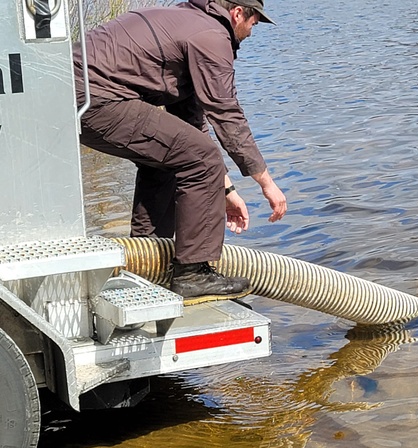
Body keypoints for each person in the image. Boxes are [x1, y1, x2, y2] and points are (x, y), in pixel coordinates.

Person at [73, 0, 287, 304]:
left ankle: (147, 261)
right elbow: (227, 114)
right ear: (238, 13)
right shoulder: (212, 36)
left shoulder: (187, 21)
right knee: (201, 158)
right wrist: (266, 183)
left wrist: (226, 191)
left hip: (73, 94)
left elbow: (190, 126)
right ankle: (193, 274)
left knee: (172, 157)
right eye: (254, 22)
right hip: (95, 97)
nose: (252, 32)